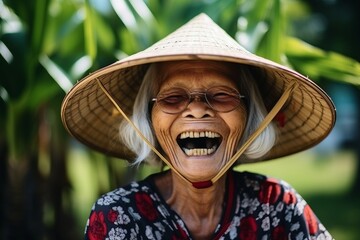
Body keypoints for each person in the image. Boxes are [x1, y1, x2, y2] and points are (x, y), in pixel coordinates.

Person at [61, 13, 335, 239]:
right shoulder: (117, 216)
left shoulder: (277, 206)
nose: (197, 109)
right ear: (150, 122)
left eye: (221, 95)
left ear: (249, 117)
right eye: (173, 98)